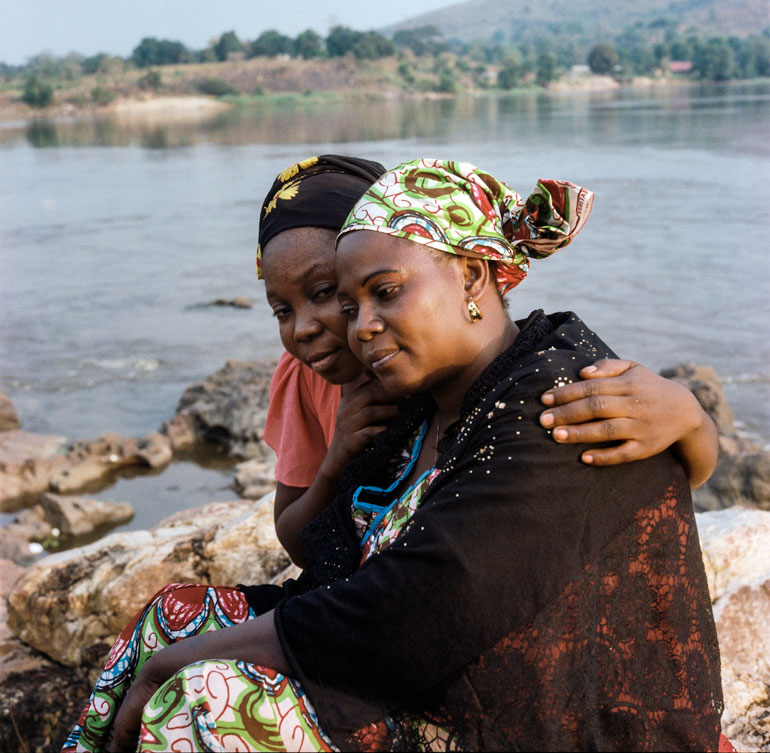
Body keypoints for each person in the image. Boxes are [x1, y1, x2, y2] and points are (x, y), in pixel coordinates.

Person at [62, 158, 724, 752]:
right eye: (351, 304)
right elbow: (326, 556)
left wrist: (695, 421)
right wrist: (179, 645)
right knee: (173, 619)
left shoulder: (562, 403)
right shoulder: (417, 402)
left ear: (471, 274)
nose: (360, 326)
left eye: (384, 292)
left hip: (528, 712)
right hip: (426, 665)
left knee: (209, 698)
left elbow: (426, 599)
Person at [256, 155, 717, 566]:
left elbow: (641, 474)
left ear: (469, 277)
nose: (305, 328)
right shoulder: (315, 378)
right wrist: (335, 461)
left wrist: (691, 419)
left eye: (327, 294)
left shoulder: (515, 389)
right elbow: (313, 549)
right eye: (281, 311)